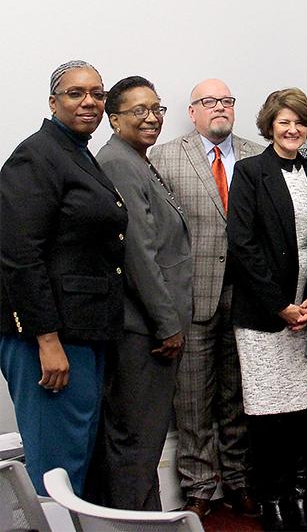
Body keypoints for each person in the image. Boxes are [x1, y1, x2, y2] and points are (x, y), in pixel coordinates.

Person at [0, 61, 127, 495]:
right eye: (75, 93)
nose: (89, 101)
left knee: (75, 460)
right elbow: (18, 255)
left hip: (83, 329)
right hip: (50, 337)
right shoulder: (37, 153)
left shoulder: (75, 151)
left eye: (97, 93)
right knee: (56, 469)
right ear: (53, 102)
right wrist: (46, 340)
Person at [149, 79, 264, 519]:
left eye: (227, 101)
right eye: (209, 102)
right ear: (192, 112)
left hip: (249, 296)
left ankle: (238, 478)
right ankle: (199, 484)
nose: (220, 108)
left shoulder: (257, 154)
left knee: (239, 394)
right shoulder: (164, 157)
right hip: (194, 295)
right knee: (193, 396)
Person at [90, 76, 192, 510]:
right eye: (138, 111)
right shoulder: (118, 163)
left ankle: (142, 515)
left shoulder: (136, 159)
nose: (151, 118)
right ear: (113, 119)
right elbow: (139, 253)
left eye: (156, 109)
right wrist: (168, 324)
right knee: (137, 438)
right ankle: (133, 519)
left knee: (141, 438)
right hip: (144, 332)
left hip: (148, 327)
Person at [227, 88, 307, 532]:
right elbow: (243, 246)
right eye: (283, 122)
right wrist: (280, 305)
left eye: (299, 123)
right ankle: (273, 500)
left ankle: (300, 497)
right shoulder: (249, 172)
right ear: (269, 126)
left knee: (303, 412)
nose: (292, 129)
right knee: (268, 415)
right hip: (266, 317)